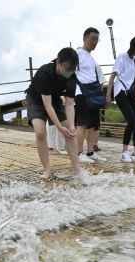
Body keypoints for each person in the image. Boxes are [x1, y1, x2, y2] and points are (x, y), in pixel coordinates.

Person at [26, 48, 81, 179]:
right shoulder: (46, 72)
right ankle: (47, 170)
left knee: (70, 131)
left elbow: (69, 104)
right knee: (40, 132)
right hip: (36, 99)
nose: (68, 72)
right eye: (66, 68)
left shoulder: (72, 78)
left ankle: (77, 169)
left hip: (55, 99)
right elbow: (47, 106)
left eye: (72, 69)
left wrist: (71, 125)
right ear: (58, 61)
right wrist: (59, 127)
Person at [106, 35, 135, 163]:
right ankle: (124, 152)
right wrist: (108, 95)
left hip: (130, 92)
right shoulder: (122, 57)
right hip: (120, 91)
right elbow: (112, 76)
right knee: (131, 121)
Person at [75, 27, 107, 163]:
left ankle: (90, 152)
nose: (95, 42)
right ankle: (78, 153)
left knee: (94, 124)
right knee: (82, 123)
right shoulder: (77, 54)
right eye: (92, 39)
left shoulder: (92, 58)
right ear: (84, 38)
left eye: (97, 40)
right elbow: (70, 72)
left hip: (93, 93)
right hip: (81, 93)